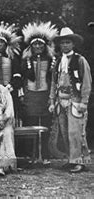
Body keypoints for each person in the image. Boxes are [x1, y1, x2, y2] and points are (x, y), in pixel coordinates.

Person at [49, 27, 92, 173]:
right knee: (64, 131)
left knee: (76, 132)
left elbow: (86, 82)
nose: (65, 45)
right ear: (59, 45)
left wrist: (84, 102)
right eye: (63, 43)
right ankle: (70, 159)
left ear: (73, 44)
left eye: (68, 42)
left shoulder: (80, 60)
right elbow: (54, 82)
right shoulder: (58, 62)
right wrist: (51, 100)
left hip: (76, 100)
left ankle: (79, 160)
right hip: (61, 101)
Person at [20, 21, 58, 163]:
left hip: (45, 94)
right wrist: (22, 95)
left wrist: (52, 97)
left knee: (46, 125)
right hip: (30, 95)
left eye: (40, 44)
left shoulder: (51, 59)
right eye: (35, 44)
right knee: (31, 124)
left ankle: (46, 155)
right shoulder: (25, 59)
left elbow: (53, 78)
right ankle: (32, 155)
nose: (38, 46)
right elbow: (22, 77)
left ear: (45, 46)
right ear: (31, 46)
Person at [0, 23, 23, 121]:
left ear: (6, 44)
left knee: (9, 115)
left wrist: (10, 86)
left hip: (10, 90)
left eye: (2, 42)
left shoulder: (12, 58)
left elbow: (17, 75)